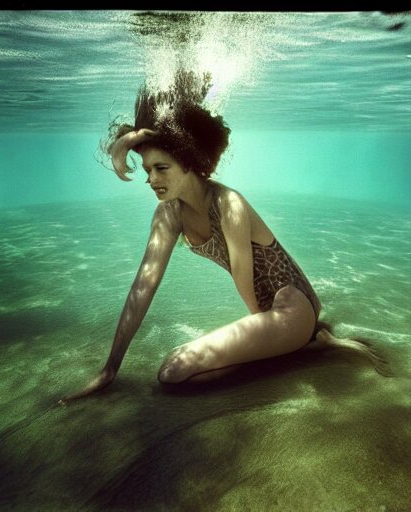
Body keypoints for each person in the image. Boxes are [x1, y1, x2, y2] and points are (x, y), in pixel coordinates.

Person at [59, 70, 385, 405]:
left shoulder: (228, 204)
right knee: (173, 374)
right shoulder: (168, 214)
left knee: (175, 369)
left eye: (161, 168)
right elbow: (143, 286)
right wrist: (110, 368)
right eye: (147, 170)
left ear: (188, 161)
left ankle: (311, 346)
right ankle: (304, 344)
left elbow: (246, 285)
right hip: (273, 314)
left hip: (293, 308)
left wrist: (276, 334)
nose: (151, 180)